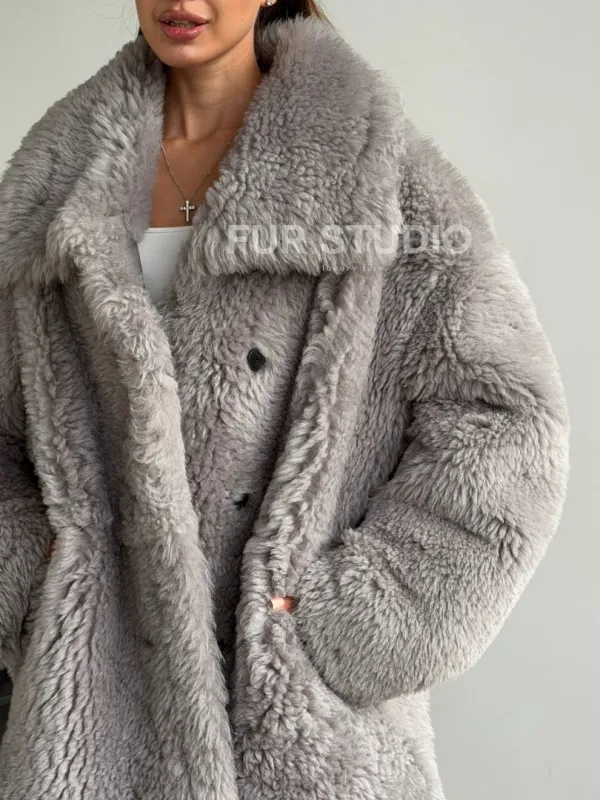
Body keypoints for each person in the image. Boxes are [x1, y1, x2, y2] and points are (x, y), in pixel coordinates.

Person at [0, 1, 570, 798]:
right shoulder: (59, 182)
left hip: (305, 735)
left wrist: (354, 618)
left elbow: (505, 417)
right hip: (93, 723)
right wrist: (38, 588)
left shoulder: (374, 170)